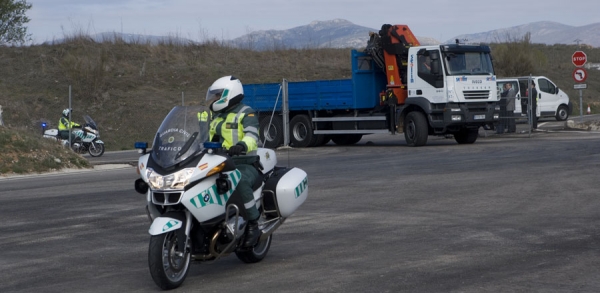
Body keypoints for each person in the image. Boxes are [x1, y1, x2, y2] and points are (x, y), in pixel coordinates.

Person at [205, 75, 262, 247]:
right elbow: (205, 138)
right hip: (219, 163)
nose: (214, 99)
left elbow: (253, 135)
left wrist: (242, 145)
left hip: (244, 162)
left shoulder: (246, 113)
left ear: (228, 94)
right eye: (214, 95)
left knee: (241, 181)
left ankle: (253, 224)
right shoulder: (217, 116)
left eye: (217, 95)